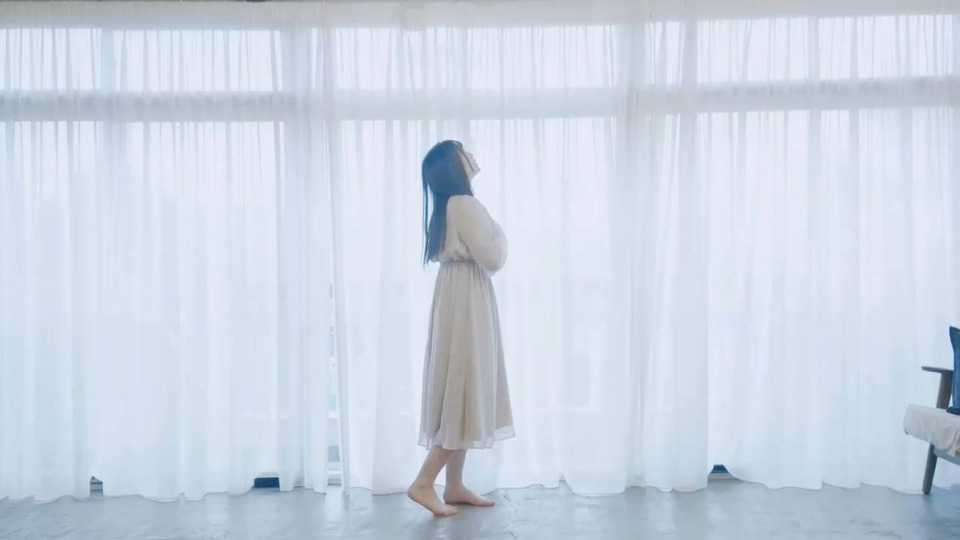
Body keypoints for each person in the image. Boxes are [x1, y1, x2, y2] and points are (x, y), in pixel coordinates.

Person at [407, 140, 515, 517]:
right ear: (454, 164)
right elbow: (493, 257)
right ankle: (424, 482)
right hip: (468, 295)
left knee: (460, 383)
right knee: (466, 383)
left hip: (455, 292)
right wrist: (500, 234)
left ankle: (453, 485)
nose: (473, 155)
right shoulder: (465, 204)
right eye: (465, 151)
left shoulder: (448, 205)